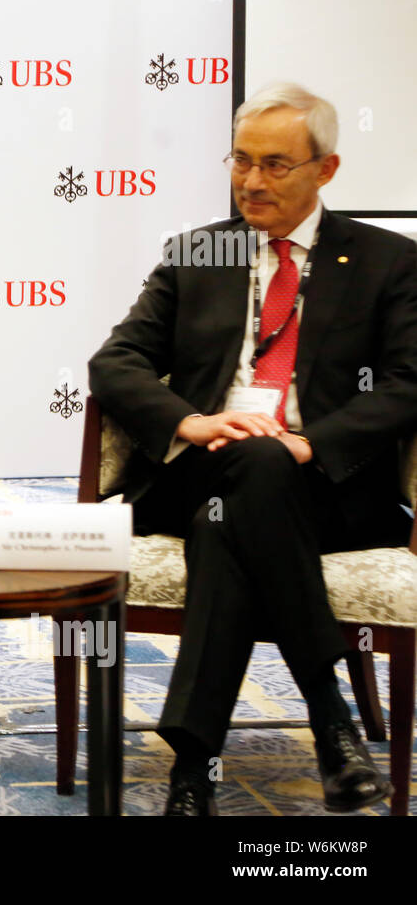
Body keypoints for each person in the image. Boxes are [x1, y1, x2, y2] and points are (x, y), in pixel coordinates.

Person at [88, 82, 417, 815]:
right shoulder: (199, 251)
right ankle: (331, 716)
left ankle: (192, 765)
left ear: (325, 170)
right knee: (245, 474)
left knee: (233, 515)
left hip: (325, 486)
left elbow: (406, 385)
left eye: (276, 165)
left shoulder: (386, 261)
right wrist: (189, 421)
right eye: (241, 161)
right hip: (199, 466)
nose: (251, 181)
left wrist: (312, 444)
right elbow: (115, 364)